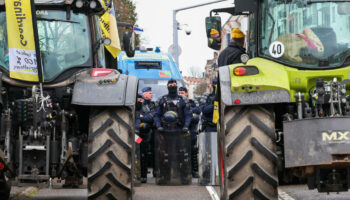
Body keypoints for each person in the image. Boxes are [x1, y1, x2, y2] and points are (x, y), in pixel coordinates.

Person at [178, 86, 200, 178]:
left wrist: (187, 113)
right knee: (179, 151)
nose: (180, 94)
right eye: (179, 93)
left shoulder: (192, 102)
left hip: (191, 130)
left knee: (192, 151)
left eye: (182, 93)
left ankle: (194, 171)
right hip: (179, 130)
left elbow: (197, 111)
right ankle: (180, 171)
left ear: (186, 93)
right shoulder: (175, 102)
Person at [135, 87, 156, 183]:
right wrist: (141, 117)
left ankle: (143, 175)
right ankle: (137, 174)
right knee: (136, 153)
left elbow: (150, 117)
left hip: (144, 134)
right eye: (138, 100)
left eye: (140, 100)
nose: (140, 101)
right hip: (135, 135)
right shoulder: (135, 107)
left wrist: (141, 117)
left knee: (144, 153)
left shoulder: (147, 107)